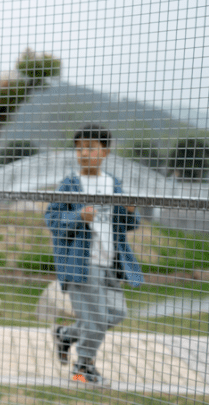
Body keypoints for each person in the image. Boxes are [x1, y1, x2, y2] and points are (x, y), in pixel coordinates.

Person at [45, 124, 143, 386]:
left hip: (111, 262)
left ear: (106, 152)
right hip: (82, 264)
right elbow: (52, 219)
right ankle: (82, 370)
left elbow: (130, 225)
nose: (83, 153)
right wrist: (79, 216)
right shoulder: (70, 184)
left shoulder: (113, 184)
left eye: (90, 147)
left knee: (117, 313)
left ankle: (66, 335)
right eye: (79, 149)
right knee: (97, 319)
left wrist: (130, 212)